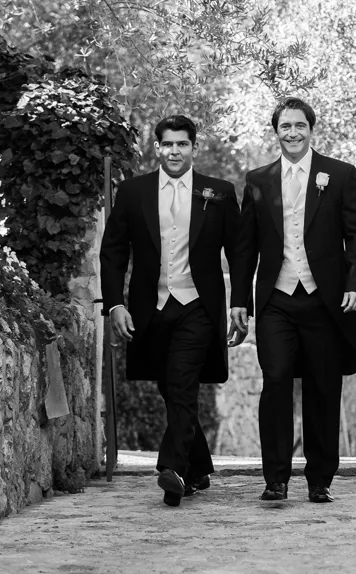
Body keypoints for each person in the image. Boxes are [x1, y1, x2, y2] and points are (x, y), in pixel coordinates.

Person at [100, 115, 252, 507]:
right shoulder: (133, 192)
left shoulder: (217, 192)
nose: (174, 151)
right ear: (157, 148)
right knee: (171, 389)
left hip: (198, 307)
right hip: (152, 309)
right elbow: (114, 251)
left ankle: (173, 470)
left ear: (193, 148)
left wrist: (239, 302)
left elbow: (237, 250)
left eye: (182, 144)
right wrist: (116, 303)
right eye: (167, 144)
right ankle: (199, 465)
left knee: (182, 383)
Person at [236, 97, 356, 503]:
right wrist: (239, 299)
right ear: (275, 131)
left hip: (325, 301)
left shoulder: (341, 174)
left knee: (322, 389)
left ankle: (319, 480)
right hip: (277, 299)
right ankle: (275, 478)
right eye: (285, 126)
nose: (292, 133)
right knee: (275, 380)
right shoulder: (258, 180)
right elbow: (245, 247)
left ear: (312, 129)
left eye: (299, 125)